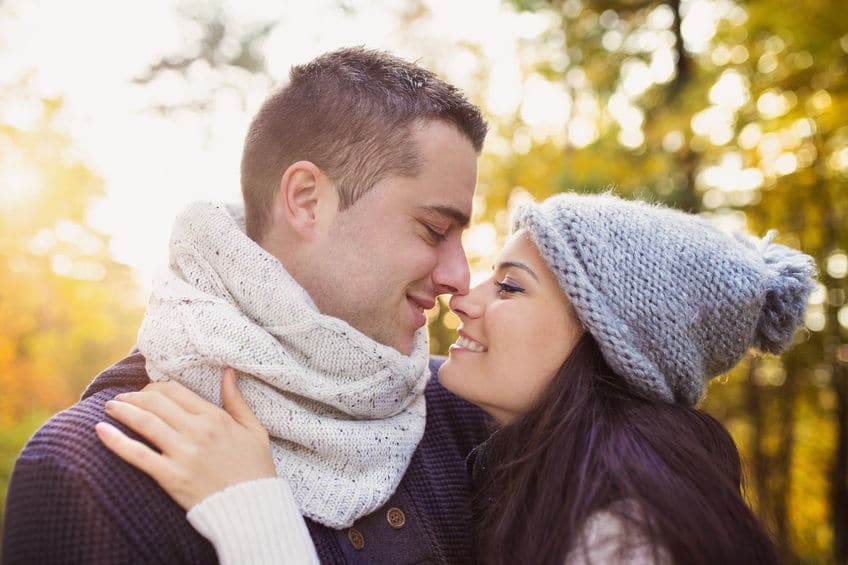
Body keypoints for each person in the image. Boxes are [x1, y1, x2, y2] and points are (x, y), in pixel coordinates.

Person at [99, 192, 815, 564]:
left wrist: (254, 516)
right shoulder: (534, 479)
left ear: (605, 344)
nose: (463, 295)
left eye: (511, 287)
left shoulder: (627, 541)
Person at [1, 47, 491, 564]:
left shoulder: (470, 417)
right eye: (434, 229)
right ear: (306, 200)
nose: (459, 278)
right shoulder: (93, 472)